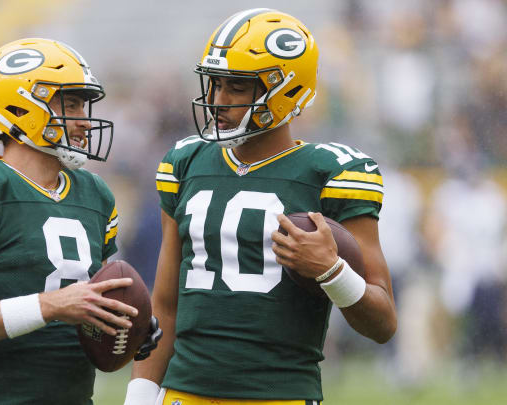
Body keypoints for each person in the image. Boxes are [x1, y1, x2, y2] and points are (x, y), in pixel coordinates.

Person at [124, 9, 397, 405]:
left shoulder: (332, 173)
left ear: (284, 91)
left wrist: (332, 271)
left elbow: (383, 322)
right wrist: (140, 395)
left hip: (280, 395)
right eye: (214, 84)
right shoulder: (184, 162)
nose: (218, 100)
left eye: (236, 86)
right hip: (183, 393)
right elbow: (166, 302)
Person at [0, 38, 159, 405]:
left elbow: (92, 312)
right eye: (70, 103)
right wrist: (50, 306)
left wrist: (127, 324)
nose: (83, 120)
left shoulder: (95, 194)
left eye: (84, 104)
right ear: (19, 105)